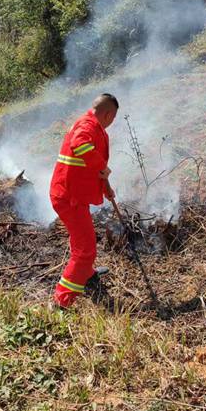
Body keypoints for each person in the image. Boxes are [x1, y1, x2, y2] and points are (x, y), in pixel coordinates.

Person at [50, 93, 118, 308]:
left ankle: (86, 274)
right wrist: (103, 167)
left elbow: (90, 168)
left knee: (82, 239)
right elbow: (80, 146)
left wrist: (106, 186)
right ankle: (62, 300)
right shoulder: (87, 126)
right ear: (108, 114)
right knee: (86, 249)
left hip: (73, 194)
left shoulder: (93, 126)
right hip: (69, 198)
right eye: (113, 117)